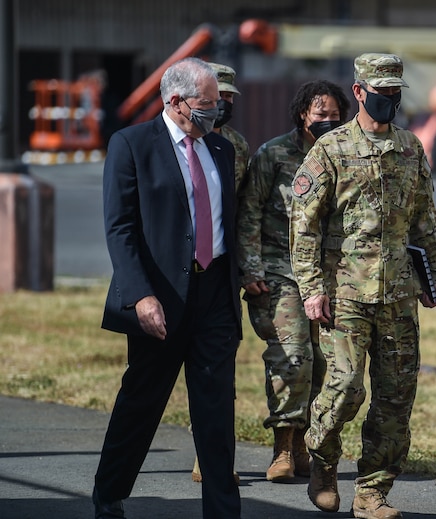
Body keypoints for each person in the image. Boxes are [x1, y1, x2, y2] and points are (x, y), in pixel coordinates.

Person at [289, 53, 436, 519]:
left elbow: (424, 219)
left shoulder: (410, 148)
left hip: (398, 294)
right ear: (359, 92)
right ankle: (322, 458)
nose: (389, 102)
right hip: (345, 294)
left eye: (395, 94)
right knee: (344, 389)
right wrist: (311, 288)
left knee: (396, 395)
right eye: (380, 94)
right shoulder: (330, 149)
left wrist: (434, 276)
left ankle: (372, 491)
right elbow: (305, 225)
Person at [92, 57, 242, 519]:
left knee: (215, 412)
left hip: (214, 293)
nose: (215, 114)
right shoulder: (132, 145)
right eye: (207, 105)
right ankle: (109, 493)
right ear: (176, 102)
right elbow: (120, 228)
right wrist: (139, 295)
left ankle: (222, 511)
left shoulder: (221, 150)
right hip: (159, 298)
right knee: (142, 401)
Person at [236, 79, 351, 483]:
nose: (328, 122)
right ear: (303, 114)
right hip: (279, 271)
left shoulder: (344, 153)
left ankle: (304, 446)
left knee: (323, 364)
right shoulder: (274, 154)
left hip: (326, 277)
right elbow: (249, 212)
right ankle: (282, 447)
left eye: (335, 116)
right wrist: (250, 269)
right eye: (321, 115)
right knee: (293, 356)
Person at [189, 61, 251, 485]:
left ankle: (216, 456)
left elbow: (244, 213)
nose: (224, 104)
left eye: (229, 97)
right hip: (183, 270)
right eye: (217, 96)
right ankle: (202, 451)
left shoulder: (237, 146)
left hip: (222, 269)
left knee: (219, 369)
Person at [209, 62, 251, 193]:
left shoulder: (237, 143)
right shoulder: (187, 139)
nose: (223, 101)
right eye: (218, 94)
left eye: (228, 96)